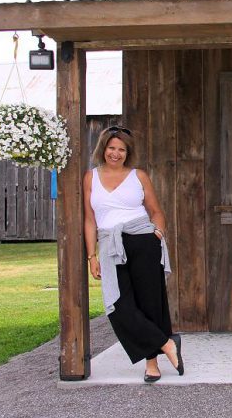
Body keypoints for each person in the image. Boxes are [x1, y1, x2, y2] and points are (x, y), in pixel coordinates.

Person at [83, 125, 183, 383]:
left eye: (121, 150)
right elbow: (89, 220)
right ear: (103, 149)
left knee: (149, 302)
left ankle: (152, 364)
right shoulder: (90, 178)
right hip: (110, 245)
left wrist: (157, 234)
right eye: (111, 148)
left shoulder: (138, 176)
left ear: (128, 153)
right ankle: (166, 343)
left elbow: (156, 211)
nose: (115, 154)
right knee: (119, 306)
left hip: (143, 241)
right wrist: (91, 256)